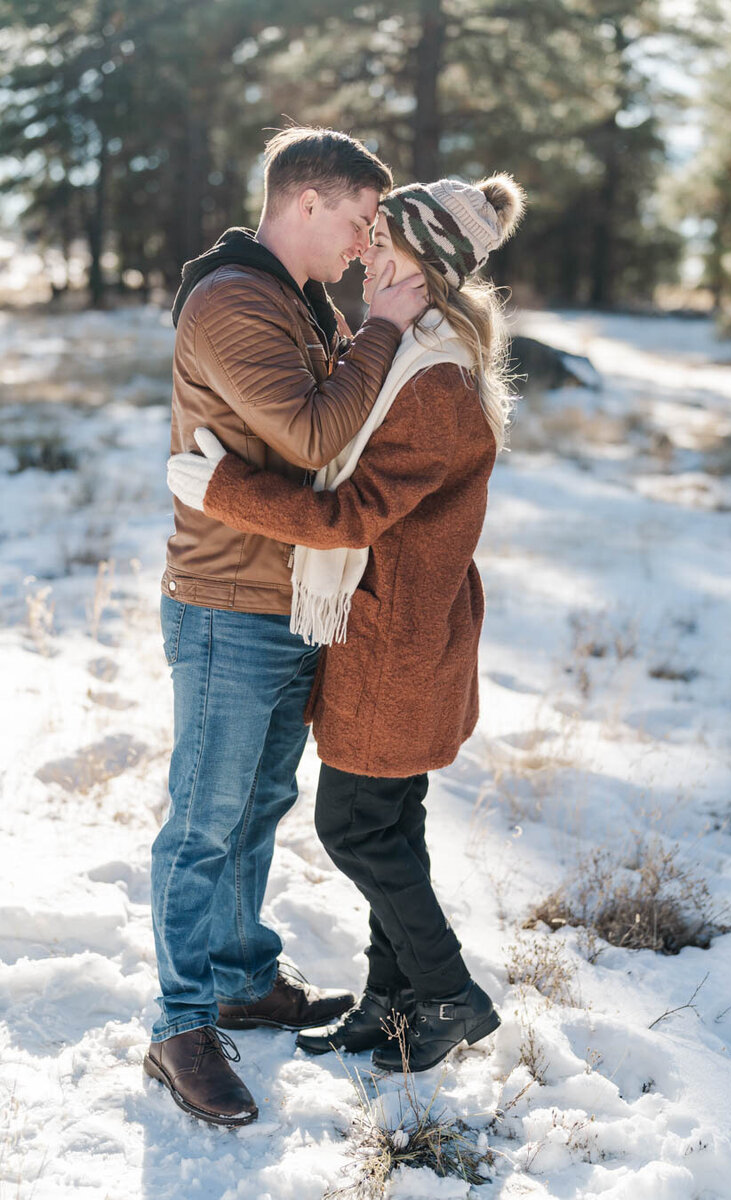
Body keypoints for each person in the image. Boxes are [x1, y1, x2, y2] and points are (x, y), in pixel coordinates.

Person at [167, 172, 525, 1075]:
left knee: (357, 828)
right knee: (390, 823)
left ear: (428, 268)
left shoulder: (428, 377)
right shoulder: (417, 353)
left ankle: (446, 994)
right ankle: (391, 1004)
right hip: (400, 625)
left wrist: (224, 492)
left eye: (386, 241)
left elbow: (350, 516)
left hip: (395, 639)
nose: (368, 254)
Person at [146, 126, 428, 1128]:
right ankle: (179, 1025)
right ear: (306, 202)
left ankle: (236, 976)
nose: (364, 247)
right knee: (203, 820)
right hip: (228, 605)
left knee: (257, 802)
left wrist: (359, 331)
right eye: (358, 221)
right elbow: (315, 432)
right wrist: (383, 326)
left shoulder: (289, 300)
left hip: (282, 597)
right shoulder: (232, 302)